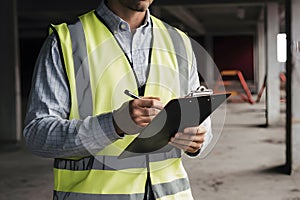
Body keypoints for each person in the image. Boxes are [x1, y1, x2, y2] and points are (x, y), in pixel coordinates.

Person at [23, 0, 212, 199]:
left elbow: (199, 116)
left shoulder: (179, 42)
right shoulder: (67, 42)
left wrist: (198, 138)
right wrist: (113, 124)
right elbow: (38, 135)